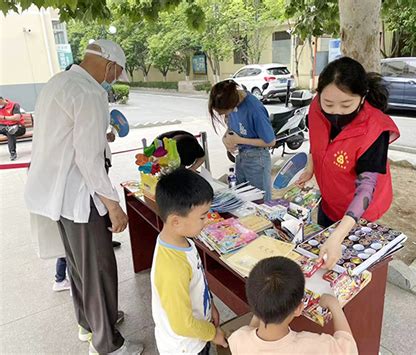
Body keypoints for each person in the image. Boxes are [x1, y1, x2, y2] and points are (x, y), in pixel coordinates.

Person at [25, 39, 143, 355]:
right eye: (116, 74)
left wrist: (103, 134)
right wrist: (113, 205)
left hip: (58, 196)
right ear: (108, 64)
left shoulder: (58, 82)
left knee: (80, 267)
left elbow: (65, 135)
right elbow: (88, 159)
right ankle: (108, 345)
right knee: (100, 268)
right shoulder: (90, 92)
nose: (114, 80)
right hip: (81, 197)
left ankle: (90, 323)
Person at [296, 57, 400, 269]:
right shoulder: (316, 107)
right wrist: (311, 167)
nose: (335, 111)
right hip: (330, 201)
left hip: (361, 213)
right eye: (328, 104)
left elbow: (366, 189)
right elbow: (317, 139)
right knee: (323, 264)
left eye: (346, 105)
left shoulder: (375, 129)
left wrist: (338, 236)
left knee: (349, 267)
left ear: (362, 98)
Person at [152, 168, 228, 354]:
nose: (206, 221)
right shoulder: (172, 268)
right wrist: (213, 334)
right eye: (202, 217)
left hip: (197, 334)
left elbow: (197, 282)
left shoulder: (184, 240)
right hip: (185, 348)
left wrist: (211, 307)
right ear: (176, 221)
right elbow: (182, 324)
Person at [228, 256, 358, 354]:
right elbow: (349, 348)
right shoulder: (314, 346)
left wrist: (262, 308)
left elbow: (250, 331)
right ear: (298, 309)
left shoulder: (237, 338)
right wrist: (334, 305)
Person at [208, 80, 276, 201]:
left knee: (261, 203)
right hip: (241, 157)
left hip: (257, 160)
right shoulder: (232, 101)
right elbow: (232, 127)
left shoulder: (255, 109)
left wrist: (240, 140)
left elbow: (271, 142)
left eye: (226, 112)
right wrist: (226, 139)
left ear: (233, 103)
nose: (225, 115)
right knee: (243, 200)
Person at [0, 96, 26, 161]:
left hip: (19, 127)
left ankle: (12, 153)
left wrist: (3, 117)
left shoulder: (14, 105)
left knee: (11, 131)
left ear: (1, 100)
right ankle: (9, 128)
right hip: (5, 127)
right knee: (9, 129)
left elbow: (17, 117)